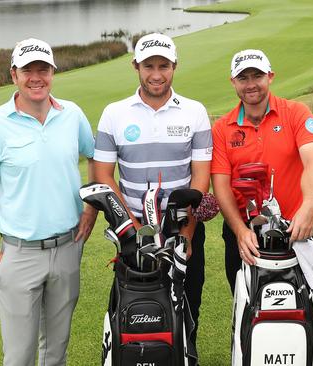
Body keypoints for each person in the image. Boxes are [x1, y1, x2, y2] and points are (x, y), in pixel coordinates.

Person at [211, 49, 313, 366]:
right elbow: (221, 185)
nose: (251, 84)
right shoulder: (222, 128)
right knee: (250, 307)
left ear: (270, 76)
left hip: (295, 231)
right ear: (233, 82)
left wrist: (309, 206)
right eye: (243, 77)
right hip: (244, 235)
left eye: (257, 76)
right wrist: (239, 230)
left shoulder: (295, 113)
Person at [0, 38, 97, 366]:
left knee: (56, 351)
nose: (36, 77)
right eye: (28, 70)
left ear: (53, 73)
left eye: (43, 69)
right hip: (19, 253)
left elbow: (95, 158)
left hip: (68, 247)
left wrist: (90, 210)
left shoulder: (72, 115)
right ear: (14, 75)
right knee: (19, 356)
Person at [93, 33, 212, 350]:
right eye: (149, 66)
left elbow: (201, 177)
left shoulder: (194, 112)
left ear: (175, 66)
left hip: (181, 229)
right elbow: (103, 175)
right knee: (135, 307)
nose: (156, 74)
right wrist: (132, 230)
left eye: (164, 65)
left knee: (187, 307)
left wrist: (186, 232)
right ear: (136, 66)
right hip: (131, 233)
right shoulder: (114, 113)